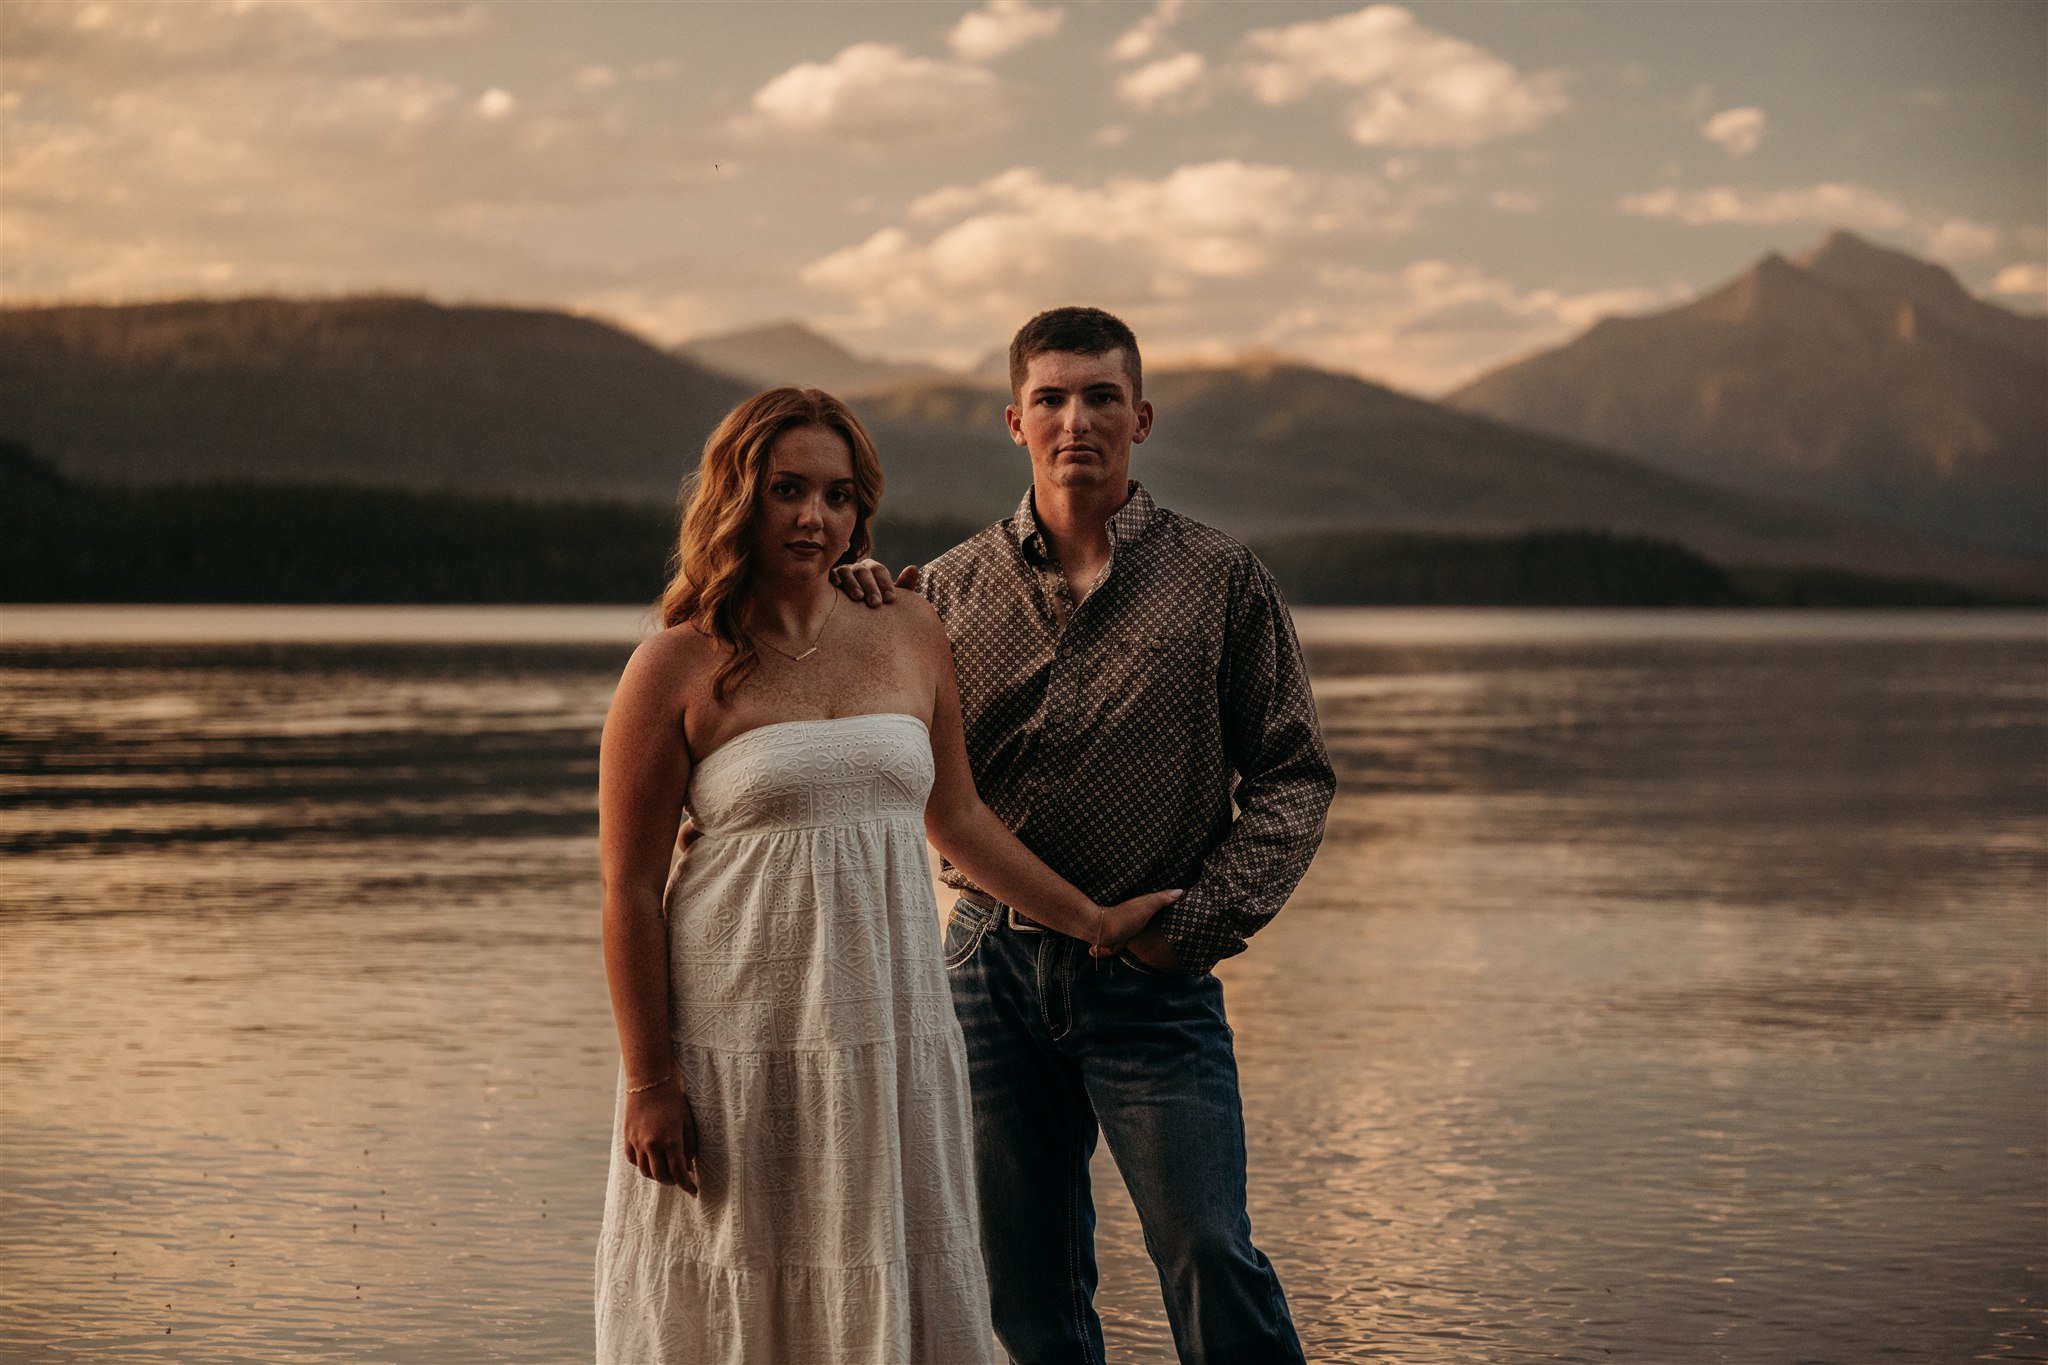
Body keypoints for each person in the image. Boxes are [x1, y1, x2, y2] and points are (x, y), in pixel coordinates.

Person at [592, 385, 1180, 1363]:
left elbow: (954, 818)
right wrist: (649, 1080)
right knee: (739, 1262)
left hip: (888, 1025)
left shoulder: (908, 625)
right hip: (736, 1031)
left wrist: (1092, 920)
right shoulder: (673, 666)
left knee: (888, 1262)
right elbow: (626, 891)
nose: (813, 518)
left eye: (836, 494)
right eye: (786, 490)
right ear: (736, 498)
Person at [833, 306, 1336, 1364]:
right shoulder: (941, 594)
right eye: (1051, 399)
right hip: (984, 971)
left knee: (1207, 1250)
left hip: (1152, 979)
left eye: (1101, 397)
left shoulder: (1219, 580)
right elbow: (874, 749)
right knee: (1021, 1284)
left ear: (1140, 418)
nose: (1077, 421)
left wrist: (1195, 923)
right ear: (1013, 421)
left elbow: (1292, 776)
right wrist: (847, 597)